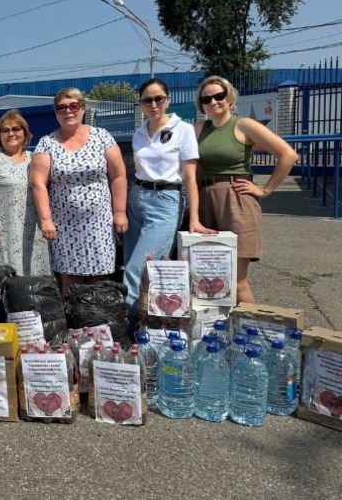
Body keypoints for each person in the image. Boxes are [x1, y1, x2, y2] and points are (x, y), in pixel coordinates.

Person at [194, 76, 298, 305]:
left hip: (236, 200)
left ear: (230, 98)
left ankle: (249, 325)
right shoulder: (199, 128)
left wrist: (265, 190)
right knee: (208, 278)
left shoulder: (244, 125)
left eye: (219, 96)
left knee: (237, 280)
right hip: (205, 202)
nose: (213, 102)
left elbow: (288, 155)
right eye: (206, 99)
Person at [123, 78, 215, 326]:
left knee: (138, 269)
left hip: (166, 200)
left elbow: (190, 176)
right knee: (133, 264)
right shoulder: (140, 132)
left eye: (158, 99)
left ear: (168, 100)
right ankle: (148, 322)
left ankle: (130, 325)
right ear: (140, 104)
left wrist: (194, 218)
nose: (153, 105)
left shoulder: (183, 130)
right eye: (147, 100)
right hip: (137, 197)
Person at [30, 87, 127, 297]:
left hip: (99, 223)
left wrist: (119, 212)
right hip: (64, 226)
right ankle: (71, 318)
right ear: (56, 113)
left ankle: (98, 317)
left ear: (82, 108)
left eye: (73, 106)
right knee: (70, 281)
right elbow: (38, 183)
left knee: (99, 279)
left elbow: (118, 176)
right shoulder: (47, 143)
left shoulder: (102, 137)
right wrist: (46, 219)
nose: (68, 111)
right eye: (62, 108)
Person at [0, 109, 51, 276]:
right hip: (7, 232)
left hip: (35, 231)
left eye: (16, 129)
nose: (11, 133)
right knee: (11, 276)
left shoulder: (35, 159)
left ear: (25, 133)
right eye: (5, 130)